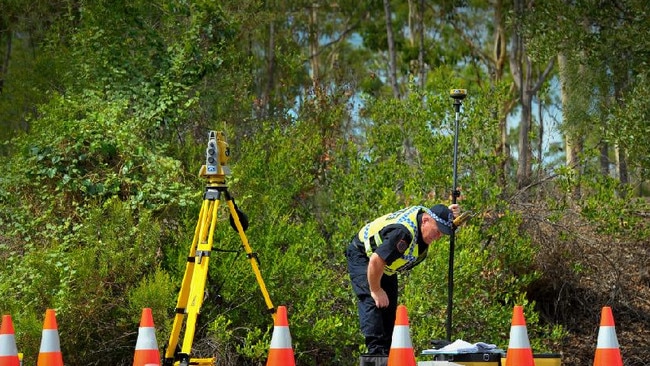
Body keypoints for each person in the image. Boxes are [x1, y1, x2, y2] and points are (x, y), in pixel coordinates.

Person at [345, 203, 461, 356]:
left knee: (389, 311)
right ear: (425, 220)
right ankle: (376, 356)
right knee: (373, 302)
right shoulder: (403, 234)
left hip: (386, 266)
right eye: (437, 231)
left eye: (442, 233)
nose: (438, 236)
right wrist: (376, 289)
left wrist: (449, 214)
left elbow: (437, 215)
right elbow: (376, 260)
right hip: (364, 257)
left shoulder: (426, 219)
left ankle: (388, 354)